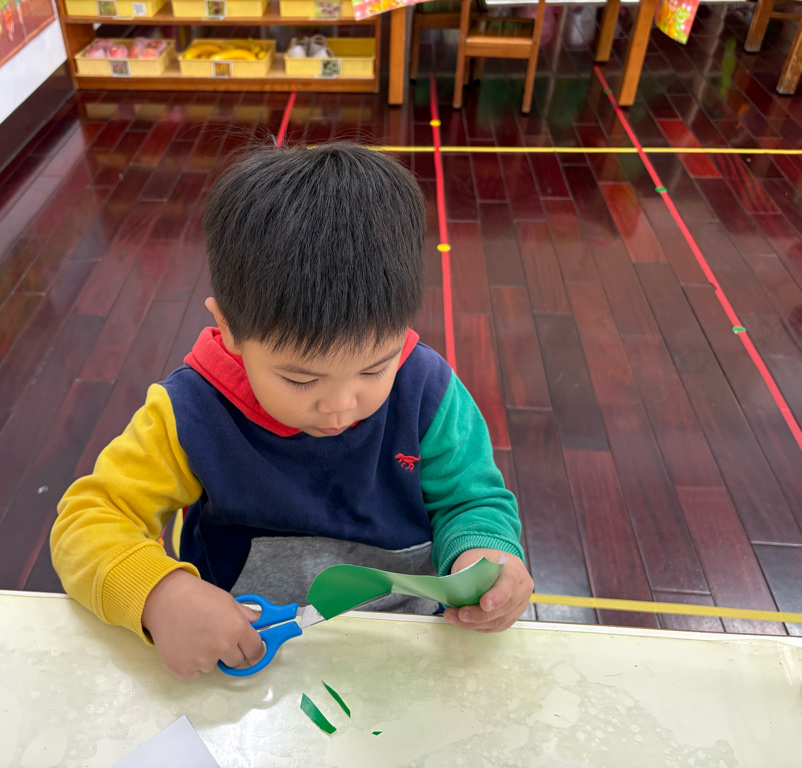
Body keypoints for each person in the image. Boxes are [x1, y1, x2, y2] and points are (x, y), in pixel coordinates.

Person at [51, 142, 533, 680]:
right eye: (301, 379)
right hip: (247, 650)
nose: (341, 405)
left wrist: (484, 556)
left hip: (404, 646)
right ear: (229, 329)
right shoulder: (191, 412)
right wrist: (159, 593)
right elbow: (88, 521)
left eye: (375, 368)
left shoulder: (427, 390)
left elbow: (472, 501)